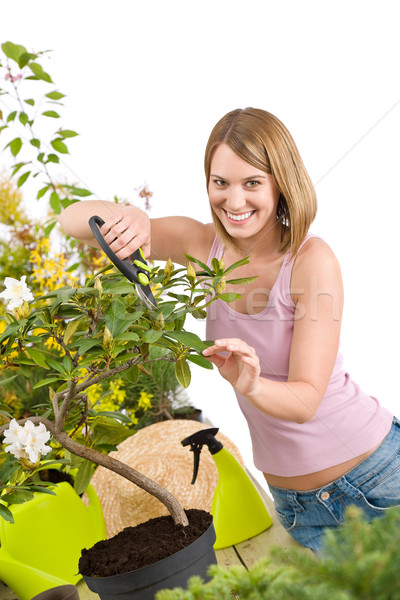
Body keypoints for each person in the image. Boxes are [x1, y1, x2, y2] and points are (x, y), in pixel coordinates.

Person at [58, 107, 398, 553]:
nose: (234, 202)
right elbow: (72, 220)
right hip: (295, 505)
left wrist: (252, 385)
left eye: (252, 183)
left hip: (373, 482)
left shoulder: (310, 260)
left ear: (281, 182)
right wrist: (131, 216)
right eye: (221, 183)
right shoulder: (202, 245)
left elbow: (305, 400)